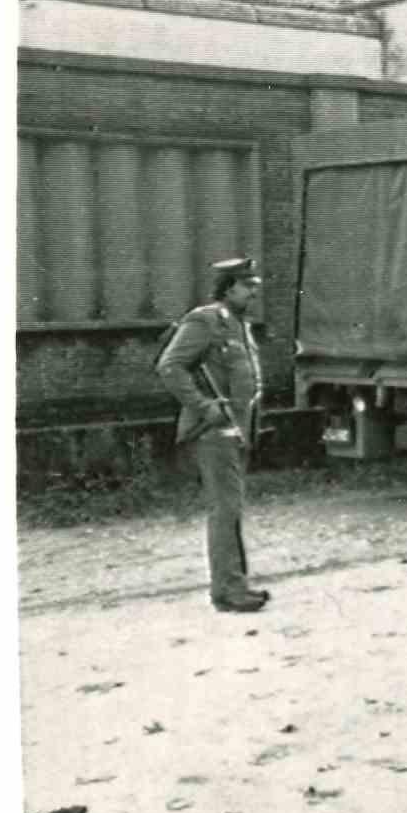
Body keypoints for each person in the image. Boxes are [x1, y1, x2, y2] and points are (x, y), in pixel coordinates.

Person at [158, 255, 270, 613]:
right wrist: (204, 405)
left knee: (231, 509)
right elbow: (170, 366)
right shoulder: (204, 321)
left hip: (238, 431)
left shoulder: (239, 326)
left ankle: (231, 586)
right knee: (226, 508)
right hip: (214, 431)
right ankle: (230, 589)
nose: (253, 294)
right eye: (246, 286)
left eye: (254, 287)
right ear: (227, 288)